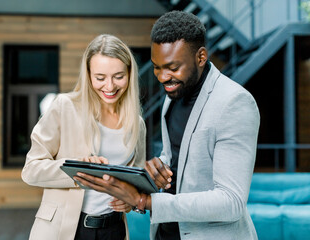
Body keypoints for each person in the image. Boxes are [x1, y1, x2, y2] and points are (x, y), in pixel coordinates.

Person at [74, 10, 260, 240]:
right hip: (166, 233)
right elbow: (175, 157)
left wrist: (144, 201)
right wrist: (158, 167)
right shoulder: (173, 95)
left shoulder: (234, 102)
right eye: (156, 67)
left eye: (172, 67)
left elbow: (231, 201)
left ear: (201, 57)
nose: (162, 77)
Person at [21, 34, 146, 240]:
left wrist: (129, 200)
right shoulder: (65, 107)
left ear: (130, 74)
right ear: (88, 75)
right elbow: (30, 170)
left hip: (113, 230)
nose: (109, 86)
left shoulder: (137, 124)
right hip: (66, 229)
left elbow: (134, 182)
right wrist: (78, 168)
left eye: (118, 76)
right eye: (100, 77)